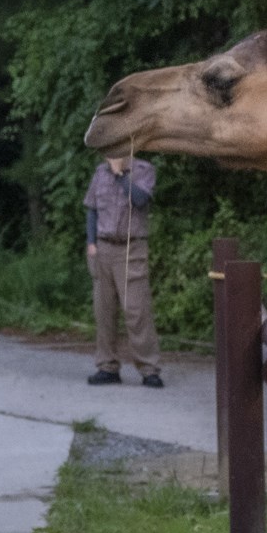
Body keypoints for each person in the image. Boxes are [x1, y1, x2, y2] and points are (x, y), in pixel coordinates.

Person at [84, 150, 161, 387]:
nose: (109, 153)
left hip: (131, 249)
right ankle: (107, 367)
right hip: (103, 248)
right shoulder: (99, 173)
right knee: (104, 311)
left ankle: (149, 369)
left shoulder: (144, 170)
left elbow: (140, 199)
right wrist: (91, 243)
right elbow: (92, 209)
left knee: (137, 311)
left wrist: (119, 175)